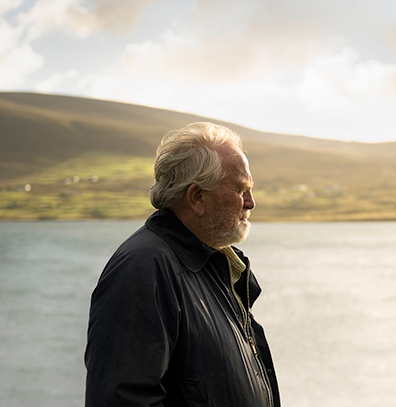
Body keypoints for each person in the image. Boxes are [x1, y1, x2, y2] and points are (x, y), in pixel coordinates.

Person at [85, 122, 280, 407]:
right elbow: (123, 400)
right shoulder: (143, 268)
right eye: (240, 189)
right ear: (197, 197)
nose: (251, 202)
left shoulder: (215, 264)